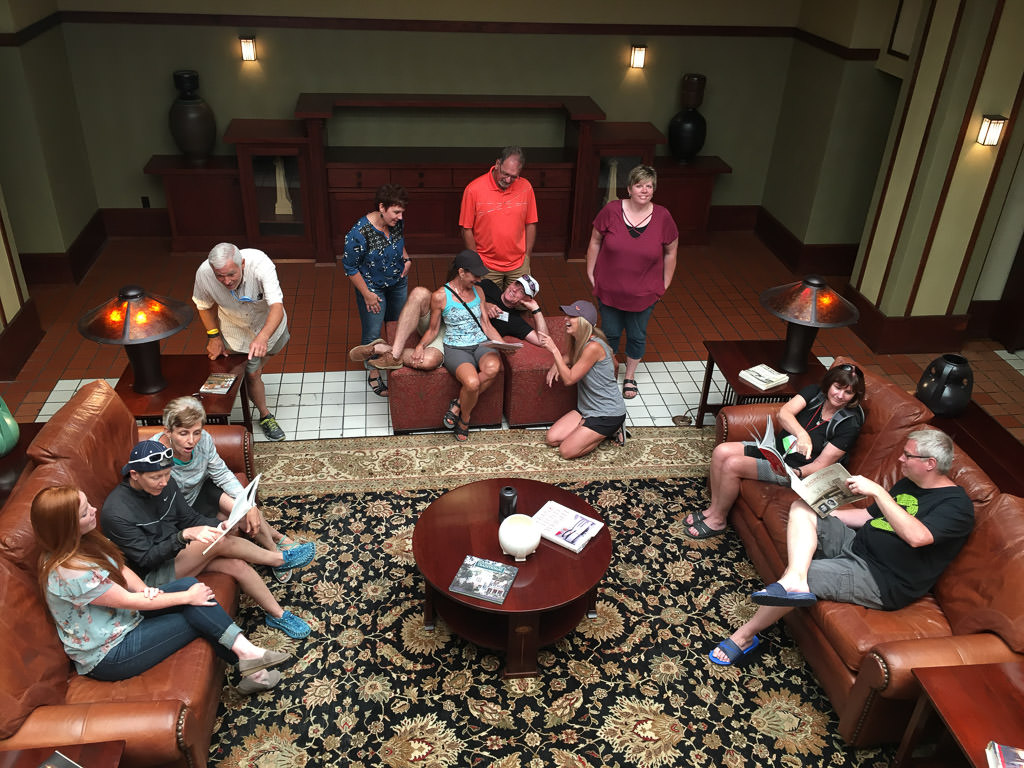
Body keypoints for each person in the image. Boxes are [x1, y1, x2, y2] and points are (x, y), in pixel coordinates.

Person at [709, 430, 973, 666]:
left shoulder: (956, 506)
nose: (901, 459)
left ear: (930, 464)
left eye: (908, 455)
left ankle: (744, 637)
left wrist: (879, 492)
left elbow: (918, 537)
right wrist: (819, 512)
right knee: (802, 507)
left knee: (809, 574)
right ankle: (794, 579)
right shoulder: (909, 483)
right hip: (856, 544)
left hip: (880, 578)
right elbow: (867, 518)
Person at [32, 486, 289, 693]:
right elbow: (128, 601)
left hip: (128, 619)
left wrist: (147, 589)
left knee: (191, 586)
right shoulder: (70, 572)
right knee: (195, 611)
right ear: (67, 525)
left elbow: (120, 568)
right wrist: (185, 598)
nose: (94, 510)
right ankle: (252, 661)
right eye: (86, 511)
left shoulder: (84, 541)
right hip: (110, 653)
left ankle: (250, 662)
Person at [101, 440, 314, 638]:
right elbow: (146, 559)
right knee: (217, 542)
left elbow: (189, 518)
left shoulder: (166, 483)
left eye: (167, 474)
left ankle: (277, 615)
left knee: (236, 564)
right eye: (156, 477)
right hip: (151, 578)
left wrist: (218, 526)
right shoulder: (116, 512)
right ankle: (279, 560)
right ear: (134, 474)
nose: (164, 482)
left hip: (177, 556)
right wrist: (182, 536)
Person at [686, 364, 866, 540]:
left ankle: (718, 520)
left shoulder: (849, 424)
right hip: (776, 451)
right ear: (829, 383)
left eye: (848, 392)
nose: (840, 395)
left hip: (795, 470)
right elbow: (784, 413)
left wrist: (795, 473)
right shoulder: (814, 392)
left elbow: (820, 465)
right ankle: (713, 509)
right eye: (838, 387)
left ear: (854, 395)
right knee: (721, 451)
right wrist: (802, 434)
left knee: (732, 464)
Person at [157, 396, 313, 583]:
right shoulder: (155, 457)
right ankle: (278, 541)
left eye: (196, 432)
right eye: (183, 433)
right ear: (168, 432)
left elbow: (222, 473)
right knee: (231, 523)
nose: (191, 441)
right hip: (180, 510)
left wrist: (249, 506)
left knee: (242, 509)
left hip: (202, 490)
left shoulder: (204, 440)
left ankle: (274, 549)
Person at [586, 164, 679, 401]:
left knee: (637, 335)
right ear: (629, 188)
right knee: (610, 334)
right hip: (609, 290)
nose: (644, 190)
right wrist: (590, 271)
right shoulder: (611, 210)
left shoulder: (663, 216)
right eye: (639, 185)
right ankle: (607, 372)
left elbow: (671, 251)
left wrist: (665, 283)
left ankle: (629, 376)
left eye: (649, 186)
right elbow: (595, 241)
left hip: (644, 294)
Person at [348, 273, 548, 372]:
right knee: (420, 293)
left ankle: (382, 348)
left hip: (452, 337)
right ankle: (391, 348)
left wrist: (536, 310)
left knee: (428, 361)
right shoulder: (487, 286)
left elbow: (542, 340)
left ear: (526, 299)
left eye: (523, 292)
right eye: (516, 285)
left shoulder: (514, 321)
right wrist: (482, 304)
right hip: (439, 318)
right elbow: (454, 289)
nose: (515, 290)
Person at [193, 242, 290, 441]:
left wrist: (262, 337)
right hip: (234, 331)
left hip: (269, 327)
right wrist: (214, 336)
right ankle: (265, 415)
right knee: (250, 372)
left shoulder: (261, 263)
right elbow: (203, 305)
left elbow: (277, 306)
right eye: (220, 276)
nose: (226, 281)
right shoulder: (203, 273)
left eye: (231, 274)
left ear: (242, 264)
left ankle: (251, 380)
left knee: (252, 370)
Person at [417, 250, 506, 442]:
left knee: (493, 368)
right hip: (456, 347)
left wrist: (503, 345)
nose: (479, 279)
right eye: (475, 275)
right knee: (472, 383)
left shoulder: (479, 291)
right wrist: (420, 346)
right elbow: (433, 330)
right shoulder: (440, 296)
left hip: (481, 343)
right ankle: (465, 418)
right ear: (461, 272)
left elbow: (486, 325)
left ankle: (458, 406)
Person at [342, 184, 411, 397]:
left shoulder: (395, 222)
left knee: (397, 325)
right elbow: (350, 267)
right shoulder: (358, 233)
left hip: (397, 282)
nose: (400, 217)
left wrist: (407, 259)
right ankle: (373, 373)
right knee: (373, 334)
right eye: (396, 212)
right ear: (382, 207)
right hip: (373, 289)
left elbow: (398, 243)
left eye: (402, 212)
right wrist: (367, 294)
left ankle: (392, 361)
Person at [539, 299, 627, 459]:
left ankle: (609, 431)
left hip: (607, 414)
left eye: (571, 316)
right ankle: (590, 430)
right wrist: (556, 365)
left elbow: (570, 379)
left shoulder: (594, 347)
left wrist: (554, 350)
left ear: (583, 322)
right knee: (552, 439)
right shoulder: (583, 342)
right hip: (587, 409)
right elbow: (572, 356)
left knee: (566, 451)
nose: (565, 319)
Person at [459, 146, 538, 288]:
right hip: (486, 264)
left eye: (514, 177)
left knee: (521, 305)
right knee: (488, 306)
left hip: (518, 264)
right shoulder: (474, 189)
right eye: (505, 174)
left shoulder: (526, 187)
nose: (508, 180)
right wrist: (476, 263)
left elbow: (531, 223)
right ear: (497, 164)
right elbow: (466, 229)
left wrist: (527, 257)